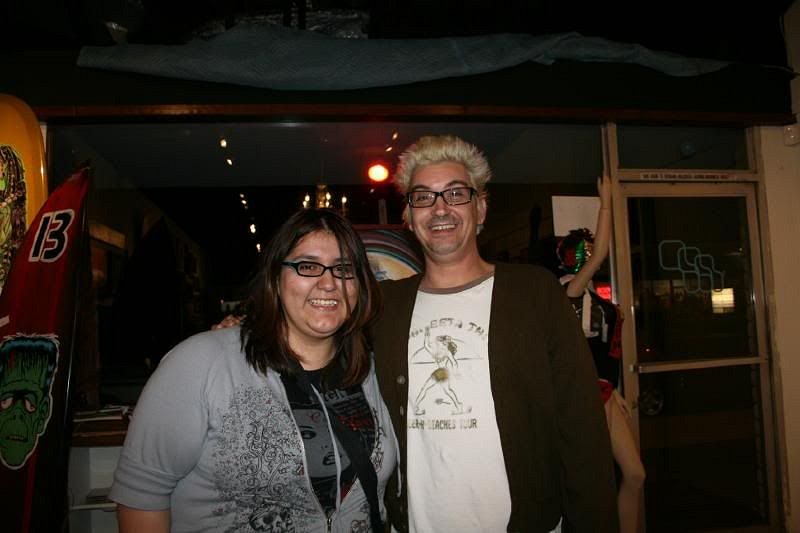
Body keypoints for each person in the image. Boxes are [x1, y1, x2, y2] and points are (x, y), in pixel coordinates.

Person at [371, 135, 618, 532]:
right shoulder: (384, 307)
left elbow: (582, 427)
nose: (439, 208)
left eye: (456, 193)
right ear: (409, 216)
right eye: (423, 197)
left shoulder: (534, 293)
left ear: (481, 209)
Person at [110, 208, 398, 532]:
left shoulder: (371, 370)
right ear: (275, 277)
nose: (328, 283)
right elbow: (142, 498)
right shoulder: (201, 363)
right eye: (308, 266)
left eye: (344, 269)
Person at [555, 176, 646, 533]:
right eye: (587, 251)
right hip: (584, 396)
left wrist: (615, 388)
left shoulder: (591, 295)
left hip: (603, 393)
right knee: (594, 484)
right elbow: (601, 254)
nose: (593, 254)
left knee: (635, 475)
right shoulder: (570, 293)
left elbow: (602, 351)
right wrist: (606, 202)